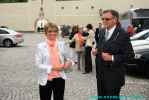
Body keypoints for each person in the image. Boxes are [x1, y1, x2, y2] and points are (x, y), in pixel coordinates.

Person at [92, 10, 134, 100]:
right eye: (102, 19)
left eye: (107, 19)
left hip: (113, 78)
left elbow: (130, 55)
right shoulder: (102, 32)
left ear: (115, 19)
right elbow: (102, 48)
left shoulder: (123, 34)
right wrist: (96, 51)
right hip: (100, 76)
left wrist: (112, 57)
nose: (103, 21)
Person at [35, 22, 73, 100]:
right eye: (50, 31)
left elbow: (69, 59)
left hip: (60, 78)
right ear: (45, 33)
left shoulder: (61, 45)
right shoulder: (40, 46)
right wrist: (53, 68)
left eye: (55, 31)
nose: (53, 33)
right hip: (46, 79)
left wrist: (68, 63)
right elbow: (38, 65)